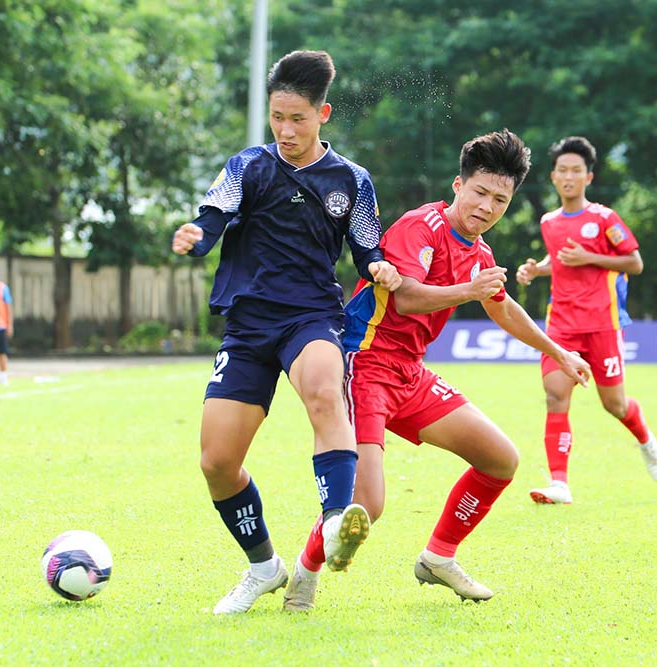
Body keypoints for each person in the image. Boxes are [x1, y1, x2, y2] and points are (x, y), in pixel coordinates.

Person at [282, 130, 592, 612]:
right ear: (458, 185)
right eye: (480, 193)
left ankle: (438, 557)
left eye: (500, 200)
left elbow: (503, 308)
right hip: (363, 364)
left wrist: (560, 352)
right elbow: (405, 296)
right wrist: (470, 290)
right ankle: (304, 573)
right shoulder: (420, 226)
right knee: (368, 505)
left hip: (410, 374)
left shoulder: (480, 253)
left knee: (500, 459)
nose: (488, 207)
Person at [171, 50, 402, 614]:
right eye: (277, 117)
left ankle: (334, 522)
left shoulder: (352, 179)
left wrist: (378, 266)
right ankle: (263, 567)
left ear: (322, 113)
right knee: (216, 462)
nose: (286, 129)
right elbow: (214, 217)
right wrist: (194, 237)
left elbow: (368, 245)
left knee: (325, 390)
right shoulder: (248, 165)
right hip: (248, 323)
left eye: (298, 118)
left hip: (311, 316)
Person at [515, 136, 657, 505]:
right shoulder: (549, 222)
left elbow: (635, 262)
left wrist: (591, 258)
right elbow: (563, 261)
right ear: (553, 177)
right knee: (555, 395)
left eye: (576, 171)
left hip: (602, 323)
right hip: (561, 325)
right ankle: (559, 483)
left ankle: (645, 439)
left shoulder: (604, 219)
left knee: (614, 405)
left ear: (589, 177)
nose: (569, 176)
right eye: (562, 170)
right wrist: (539, 271)